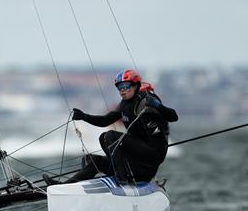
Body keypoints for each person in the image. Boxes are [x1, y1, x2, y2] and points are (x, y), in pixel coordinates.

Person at [44, 69, 178, 186]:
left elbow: (173, 117)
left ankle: (122, 179)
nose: (122, 90)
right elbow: (105, 121)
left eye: (126, 86)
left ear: (136, 85)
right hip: (134, 162)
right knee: (92, 159)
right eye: (120, 88)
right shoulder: (125, 104)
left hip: (152, 157)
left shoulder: (146, 101)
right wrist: (84, 116)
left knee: (110, 136)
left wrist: (158, 106)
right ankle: (65, 186)